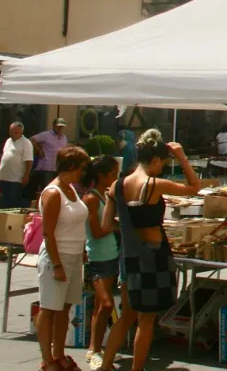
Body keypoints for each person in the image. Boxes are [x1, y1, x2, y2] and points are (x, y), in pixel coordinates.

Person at [96, 130, 200, 371]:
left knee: (127, 315)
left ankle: (106, 365)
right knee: (146, 320)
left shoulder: (116, 186)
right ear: (154, 160)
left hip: (129, 255)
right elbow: (194, 187)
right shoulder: (154, 184)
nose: (161, 168)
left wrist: (130, 226)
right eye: (162, 163)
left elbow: (106, 225)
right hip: (152, 256)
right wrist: (182, 157)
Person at [36, 145, 91, 371]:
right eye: (81, 168)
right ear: (71, 167)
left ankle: (59, 353)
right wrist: (57, 265)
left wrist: (82, 250)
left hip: (74, 255)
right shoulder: (53, 193)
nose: (83, 173)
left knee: (64, 308)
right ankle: (47, 359)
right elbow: (48, 232)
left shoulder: (71, 189)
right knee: (49, 307)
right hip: (56, 257)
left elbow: (76, 222)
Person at [79, 155, 120, 371]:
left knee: (100, 306)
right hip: (98, 257)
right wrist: (116, 226)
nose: (116, 178)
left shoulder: (106, 195)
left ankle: (94, 347)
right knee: (106, 304)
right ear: (102, 176)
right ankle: (94, 350)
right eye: (113, 174)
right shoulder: (91, 198)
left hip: (111, 254)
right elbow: (96, 232)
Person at [0, 121, 34, 208]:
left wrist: (26, 175)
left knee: (14, 200)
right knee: (4, 200)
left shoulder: (26, 143)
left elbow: (29, 160)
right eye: (11, 132)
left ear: (21, 132)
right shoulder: (8, 141)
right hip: (5, 176)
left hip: (16, 178)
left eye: (16, 132)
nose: (13, 134)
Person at [31, 118, 70, 195]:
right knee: (47, 189)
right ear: (54, 126)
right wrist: (39, 150)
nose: (60, 128)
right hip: (47, 168)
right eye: (58, 126)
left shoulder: (64, 138)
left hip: (58, 168)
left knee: (57, 190)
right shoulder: (46, 135)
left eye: (62, 127)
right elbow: (33, 139)